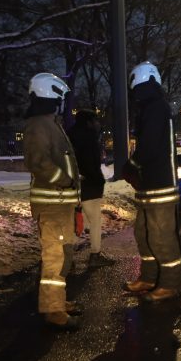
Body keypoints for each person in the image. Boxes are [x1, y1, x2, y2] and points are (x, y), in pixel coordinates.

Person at [23, 72, 82, 330]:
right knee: (55, 257)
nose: (63, 103)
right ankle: (53, 310)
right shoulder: (39, 125)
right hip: (53, 204)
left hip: (61, 204)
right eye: (61, 98)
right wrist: (65, 180)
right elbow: (38, 163)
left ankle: (57, 301)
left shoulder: (49, 123)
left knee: (63, 254)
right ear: (52, 95)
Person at [122, 61, 181, 301]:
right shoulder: (150, 108)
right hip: (150, 187)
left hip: (160, 187)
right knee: (144, 233)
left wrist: (131, 165)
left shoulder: (157, 108)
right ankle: (148, 277)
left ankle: (171, 282)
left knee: (161, 236)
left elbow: (149, 147)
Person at [69, 108, 115, 267]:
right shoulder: (90, 138)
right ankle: (95, 254)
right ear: (89, 122)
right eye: (95, 120)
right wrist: (98, 180)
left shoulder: (69, 136)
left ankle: (68, 259)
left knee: (75, 221)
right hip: (89, 186)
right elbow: (91, 165)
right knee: (94, 221)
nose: (97, 123)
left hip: (72, 187)